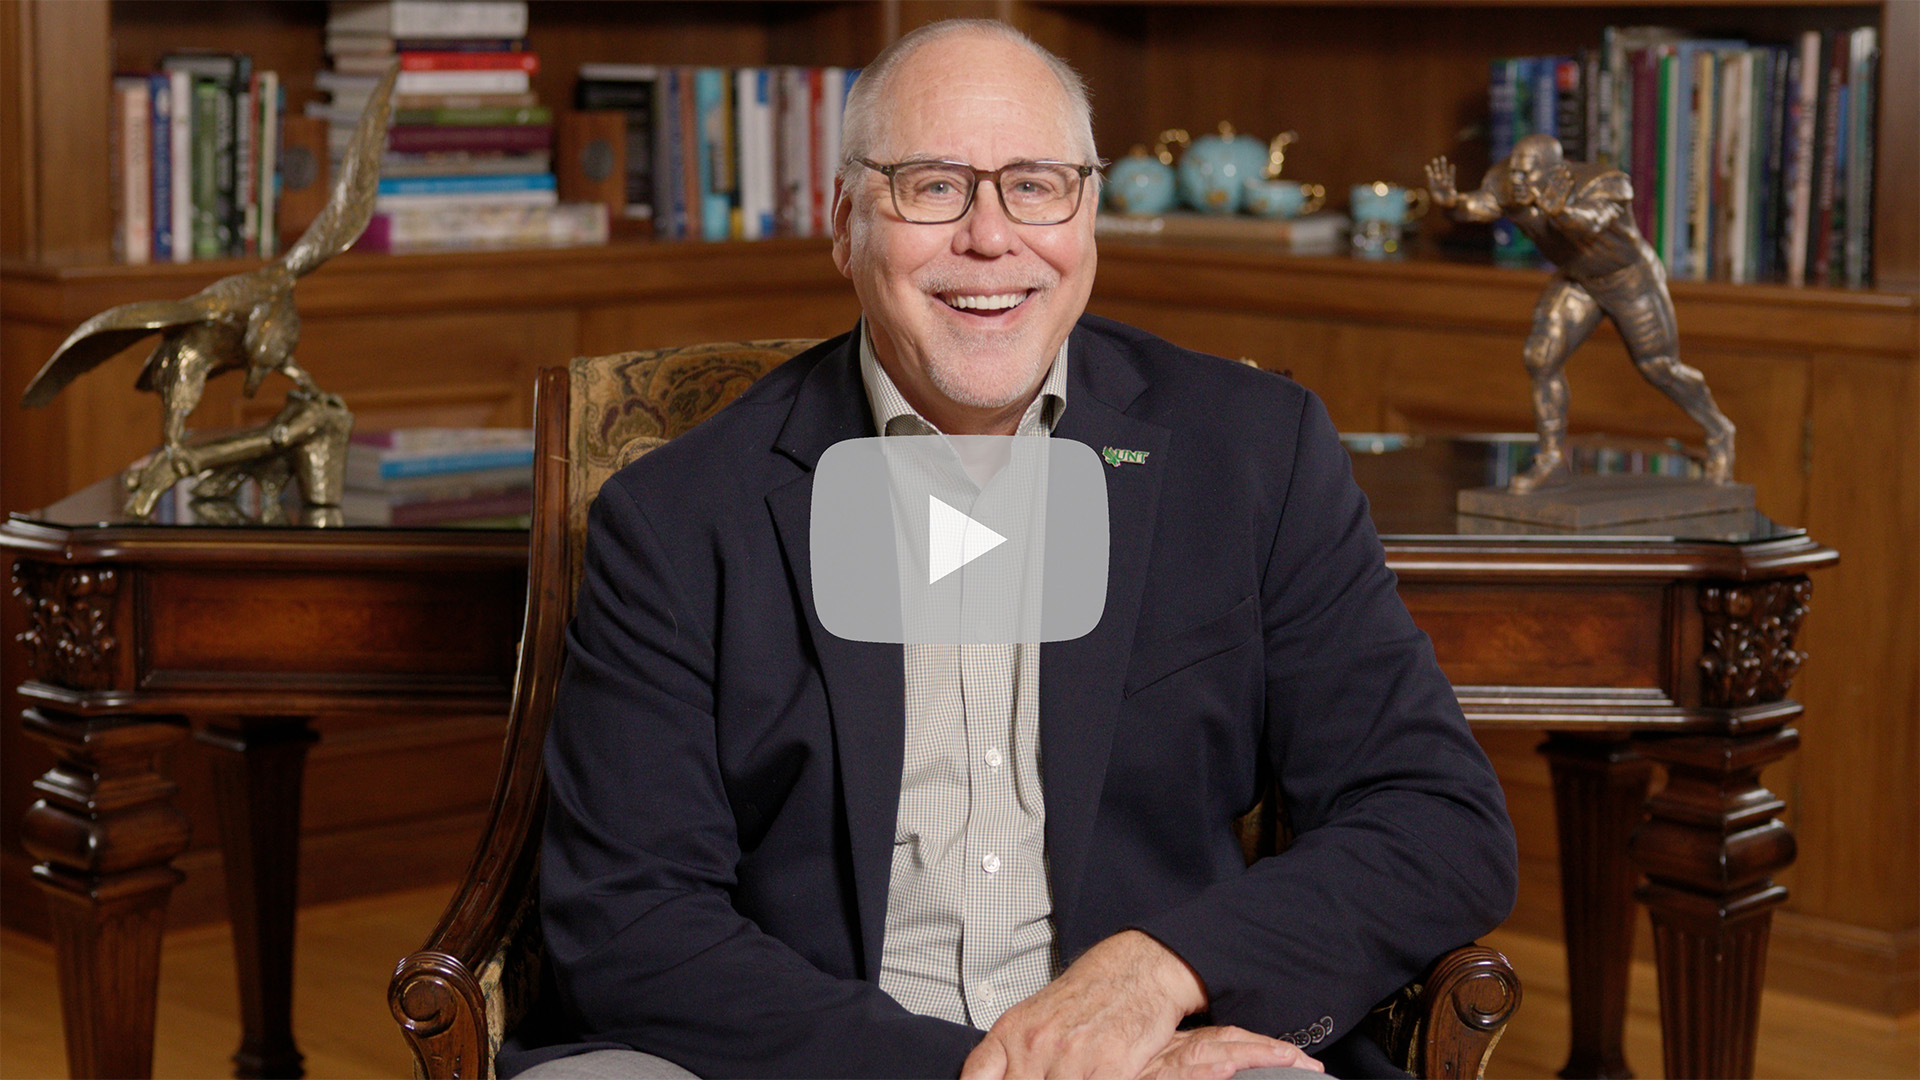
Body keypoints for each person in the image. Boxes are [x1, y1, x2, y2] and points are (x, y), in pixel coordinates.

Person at [507, 20, 1516, 1080]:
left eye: (1037, 185)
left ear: (1089, 214)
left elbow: (1435, 819)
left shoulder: (1256, 452)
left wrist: (1156, 973)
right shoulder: (676, 516)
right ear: (846, 224)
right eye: (933, 185)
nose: (992, 238)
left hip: (1164, 1058)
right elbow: (630, 922)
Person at [1425, 135, 1737, 494]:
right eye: (1515, 173)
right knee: (1540, 357)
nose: (1518, 181)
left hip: (1629, 280)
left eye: (1528, 175)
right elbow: (1478, 206)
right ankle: (1552, 458)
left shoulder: (1604, 183)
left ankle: (1718, 430)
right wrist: (1451, 203)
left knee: (1659, 367)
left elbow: (1592, 224)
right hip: (1577, 280)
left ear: (1554, 171)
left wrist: (1562, 211)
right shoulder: (1507, 181)